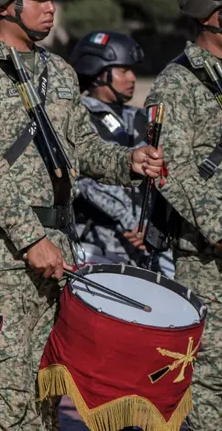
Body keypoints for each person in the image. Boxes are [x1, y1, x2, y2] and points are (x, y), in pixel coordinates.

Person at [0, 0, 164, 430]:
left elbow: (82, 146)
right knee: (3, 393)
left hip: (58, 247)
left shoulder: (59, 70)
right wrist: (29, 237)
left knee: (46, 387)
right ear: (6, 2)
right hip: (2, 255)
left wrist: (129, 162)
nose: (50, 8)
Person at [145, 0, 222, 430]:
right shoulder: (178, 82)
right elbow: (169, 171)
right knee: (207, 375)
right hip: (211, 253)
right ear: (210, 15)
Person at [69, 30, 174, 276]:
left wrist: (152, 227)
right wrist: (132, 221)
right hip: (94, 243)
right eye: (123, 71)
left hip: (145, 245)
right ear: (97, 73)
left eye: (132, 71)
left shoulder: (139, 118)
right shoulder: (77, 116)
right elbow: (83, 180)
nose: (132, 78)